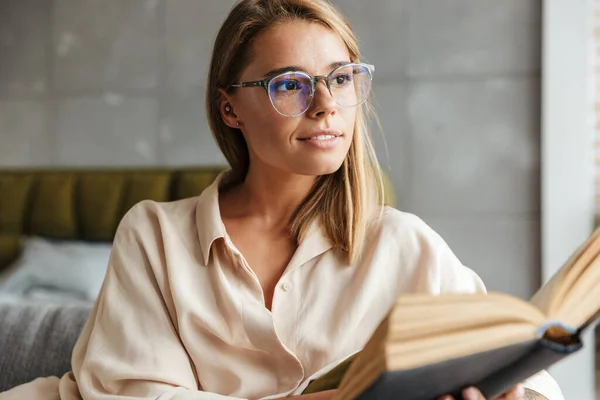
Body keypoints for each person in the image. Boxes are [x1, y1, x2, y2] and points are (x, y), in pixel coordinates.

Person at [0, 1, 564, 399]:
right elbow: (134, 394)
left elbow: (526, 372)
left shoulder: (402, 243)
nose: (326, 104)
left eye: (341, 78)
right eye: (290, 83)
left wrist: (514, 393)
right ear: (230, 109)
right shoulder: (154, 235)